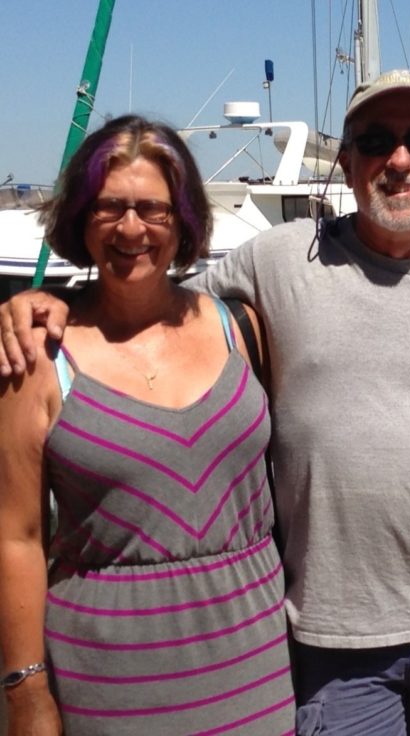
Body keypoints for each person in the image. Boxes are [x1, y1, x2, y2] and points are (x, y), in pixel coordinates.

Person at [0, 70, 410, 735]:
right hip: (327, 643)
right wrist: (43, 302)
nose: (399, 160)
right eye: (375, 140)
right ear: (345, 161)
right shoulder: (275, 262)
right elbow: (145, 294)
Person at [0, 115, 294, 735]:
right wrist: (27, 695)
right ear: (80, 218)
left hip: (255, 677)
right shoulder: (38, 361)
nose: (131, 228)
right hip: (109, 688)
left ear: (183, 220)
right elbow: (17, 539)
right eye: (109, 208)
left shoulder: (240, 328)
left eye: (153, 209)